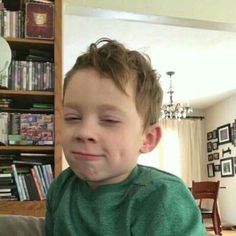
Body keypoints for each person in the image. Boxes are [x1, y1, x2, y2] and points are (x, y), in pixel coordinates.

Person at [45, 38, 205, 236]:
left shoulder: (163, 197)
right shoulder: (61, 188)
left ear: (147, 138)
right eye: (72, 117)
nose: (84, 132)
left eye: (109, 120)